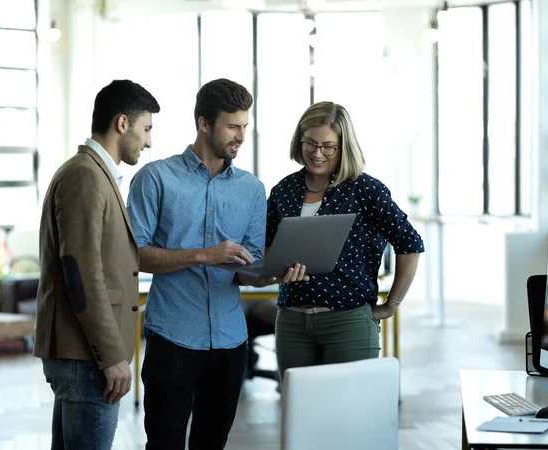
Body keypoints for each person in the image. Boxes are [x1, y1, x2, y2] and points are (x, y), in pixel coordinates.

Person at [127, 78, 306, 450]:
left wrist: (276, 272)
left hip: (229, 342)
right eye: (232, 126)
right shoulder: (155, 178)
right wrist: (204, 255)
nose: (241, 135)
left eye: (245, 125)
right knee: (164, 444)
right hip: (172, 336)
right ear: (204, 124)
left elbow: (248, 270)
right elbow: (135, 255)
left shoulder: (252, 190)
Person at [34, 79, 160, 449]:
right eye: (146, 129)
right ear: (123, 123)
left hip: (85, 353)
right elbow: (81, 273)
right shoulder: (85, 176)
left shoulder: (94, 174)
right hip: (87, 355)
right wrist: (111, 356)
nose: (149, 141)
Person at [267, 101, 425, 378]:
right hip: (291, 321)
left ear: (344, 147)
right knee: (299, 416)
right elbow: (267, 247)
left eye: (328, 146)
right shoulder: (284, 190)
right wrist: (275, 270)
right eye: (310, 143)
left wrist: (391, 305)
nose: (317, 154)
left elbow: (410, 243)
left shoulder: (365, 189)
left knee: (349, 416)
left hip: (348, 320)